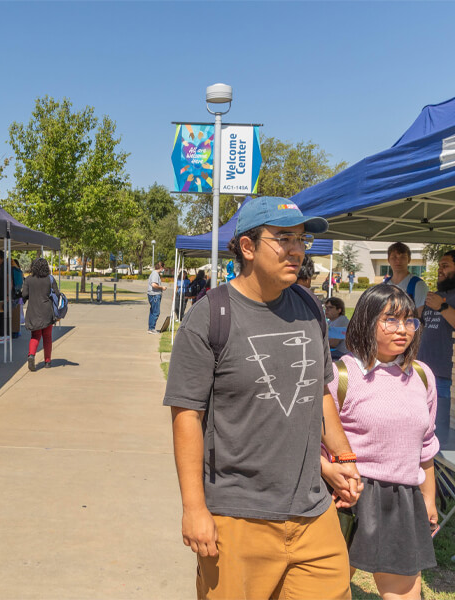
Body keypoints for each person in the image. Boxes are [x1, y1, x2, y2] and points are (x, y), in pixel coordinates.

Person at [164, 197, 360, 599]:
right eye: (284, 238)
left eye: (301, 240)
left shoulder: (308, 306)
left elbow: (320, 388)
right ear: (248, 247)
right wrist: (194, 508)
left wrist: (344, 458)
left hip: (312, 513)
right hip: (238, 517)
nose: (297, 250)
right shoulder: (210, 316)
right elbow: (186, 415)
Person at [326, 284, 438, 598]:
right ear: (366, 320)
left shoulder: (422, 376)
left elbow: (425, 446)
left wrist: (428, 498)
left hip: (402, 499)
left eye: (410, 321)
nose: (403, 329)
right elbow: (317, 442)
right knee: (330, 589)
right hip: (347, 497)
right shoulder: (340, 376)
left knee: (404, 593)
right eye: (391, 320)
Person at [419, 249, 455, 446]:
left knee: (440, 434)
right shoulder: (437, 295)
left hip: (443, 375)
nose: (440, 270)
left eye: (445, 265)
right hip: (422, 371)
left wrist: (441, 307)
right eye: (440, 265)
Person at [22, 257, 59, 371]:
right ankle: (47, 361)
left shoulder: (28, 280)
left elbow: (24, 295)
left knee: (35, 336)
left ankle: (31, 355)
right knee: (47, 337)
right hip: (47, 311)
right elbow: (57, 294)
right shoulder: (50, 279)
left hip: (33, 311)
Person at [386, 241, 427, 316]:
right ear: (388, 260)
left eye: (402, 257)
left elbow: (420, 316)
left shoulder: (418, 285)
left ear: (409, 260)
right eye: (394, 257)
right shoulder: (384, 285)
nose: (398, 261)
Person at [146, 261, 166, 334]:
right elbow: (154, 285)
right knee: (156, 312)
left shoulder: (154, 274)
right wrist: (162, 287)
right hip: (154, 295)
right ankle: (152, 328)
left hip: (153, 294)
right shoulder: (155, 274)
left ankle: (150, 328)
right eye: (163, 267)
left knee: (152, 311)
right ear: (161, 267)